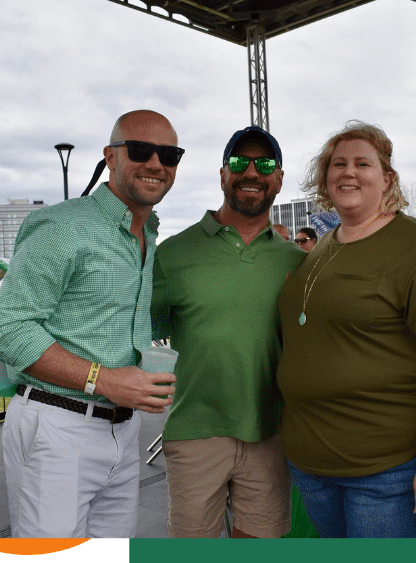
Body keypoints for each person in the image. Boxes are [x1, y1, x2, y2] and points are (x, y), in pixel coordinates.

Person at [277, 121, 416, 538]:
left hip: (393, 469)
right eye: (338, 164)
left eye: (362, 163)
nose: (348, 172)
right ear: (325, 178)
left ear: (386, 178)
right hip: (315, 465)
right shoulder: (324, 246)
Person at [0, 109, 181, 538]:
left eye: (169, 154)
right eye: (142, 150)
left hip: (121, 429)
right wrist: (105, 380)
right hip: (57, 429)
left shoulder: (147, 234)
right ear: (111, 157)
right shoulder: (63, 227)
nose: (156, 164)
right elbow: (7, 330)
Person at [151, 125, 307, 538]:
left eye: (265, 163)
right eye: (239, 162)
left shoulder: (298, 261)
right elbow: (129, 327)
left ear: (278, 179)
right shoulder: (173, 254)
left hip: (271, 433)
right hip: (195, 434)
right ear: (223, 175)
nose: (251, 172)